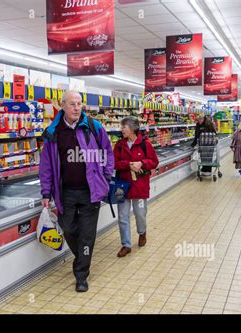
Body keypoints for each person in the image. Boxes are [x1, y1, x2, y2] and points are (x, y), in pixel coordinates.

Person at [39, 90, 114, 292]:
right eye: (72, 104)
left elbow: (107, 150)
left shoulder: (93, 126)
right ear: (62, 105)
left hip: (91, 190)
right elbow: (45, 165)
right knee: (69, 229)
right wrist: (46, 192)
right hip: (66, 192)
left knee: (87, 235)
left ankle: (81, 275)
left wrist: (105, 176)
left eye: (79, 103)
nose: (76, 107)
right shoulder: (53, 132)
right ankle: (83, 257)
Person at [114, 117, 159, 257]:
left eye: (124, 127)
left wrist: (141, 163)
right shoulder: (119, 145)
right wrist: (128, 165)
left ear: (132, 128)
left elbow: (154, 162)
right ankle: (126, 245)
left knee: (140, 214)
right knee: (122, 216)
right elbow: (114, 163)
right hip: (122, 186)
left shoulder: (145, 144)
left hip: (139, 185)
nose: (122, 129)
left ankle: (142, 232)